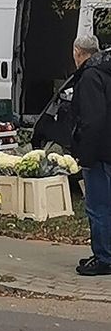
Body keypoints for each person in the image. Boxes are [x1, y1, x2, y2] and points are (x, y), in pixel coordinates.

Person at [71, 34, 111, 276]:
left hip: (99, 153)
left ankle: (104, 256)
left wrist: (85, 153)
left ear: (78, 52)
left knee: (98, 206)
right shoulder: (106, 71)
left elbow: (93, 120)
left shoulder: (89, 77)